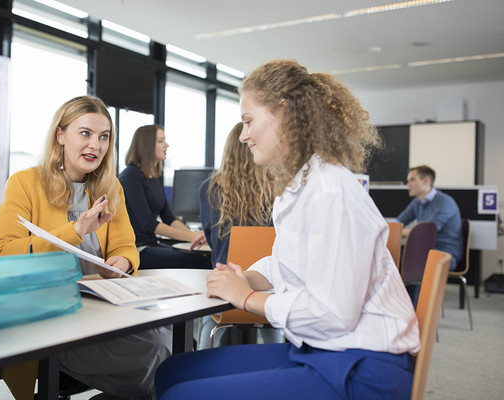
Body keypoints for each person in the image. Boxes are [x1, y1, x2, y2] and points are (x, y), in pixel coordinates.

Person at [155, 59, 420, 400]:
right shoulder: (301, 184)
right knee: (172, 372)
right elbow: (284, 262)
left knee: (181, 394)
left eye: (248, 121)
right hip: (325, 348)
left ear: (284, 113)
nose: (243, 135)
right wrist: (246, 277)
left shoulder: (329, 190)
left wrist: (248, 298)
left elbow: (334, 314)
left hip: (363, 365)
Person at [0, 96, 170, 400]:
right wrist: (75, 230)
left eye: (104, 137)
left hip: (104, 308)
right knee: (157, 354)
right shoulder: (24, 183)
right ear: (60, 135)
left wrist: (119, 263)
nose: (95, 145)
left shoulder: (110, 187)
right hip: (52, 318)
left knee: (166, 339)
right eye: (85, 133)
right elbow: (2, 254)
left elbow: (127, 246)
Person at [196, 121, 279, 349]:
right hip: (267, 296)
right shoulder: (278, 189)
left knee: (206, 319)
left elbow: (214, 242)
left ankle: (203, 355)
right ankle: (277, 351)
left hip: (226, 288)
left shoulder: (209, 188)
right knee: (273, 324)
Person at [119, 124, 210, 269]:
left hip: (152, 244)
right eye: (160, 141)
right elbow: (148, 223)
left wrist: (196, 236)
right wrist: (191, 237)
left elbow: (168, 218)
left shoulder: (155, 175)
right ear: (147, 145)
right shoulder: (131, 175)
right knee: (198, 261)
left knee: (202, 256)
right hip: (137, 250)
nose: (166, 145)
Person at [398, 165, 463, 270]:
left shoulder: (445, 202)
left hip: (445, 255)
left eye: (412, 180)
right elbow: (399, 222)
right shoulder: (417, 202)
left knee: (407, 259)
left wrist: (397, 232)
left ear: (426, 181)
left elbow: (426, 232)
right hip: (425, 251)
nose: (408, 184)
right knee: (393, 256)